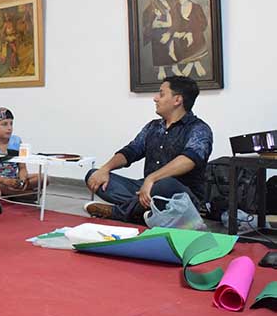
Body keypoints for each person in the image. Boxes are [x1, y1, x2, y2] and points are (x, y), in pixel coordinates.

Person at [84, 76, 213, 223]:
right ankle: (146, 212)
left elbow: (188, 160)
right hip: (146, 189)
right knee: (93, 175)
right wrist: (105, 169)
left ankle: (119, 212)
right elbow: (131, 151)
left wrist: (152, 178)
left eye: (161, 94)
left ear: (177, 100)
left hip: (180, 195)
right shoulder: (153, 126)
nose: (155, 98)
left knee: (165, 184)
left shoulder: (199, 129)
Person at [170, 0, 209, 78]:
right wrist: (178, 33)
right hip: (181, 36)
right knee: (178, 41)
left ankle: (191, 63)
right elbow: (173, 23)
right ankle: (194, 62)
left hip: (195, 34)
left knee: (196, 35)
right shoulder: (176, 8)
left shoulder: (196, 7)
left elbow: (203, 24)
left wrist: (191, 32)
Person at [141, 0, 174, 80]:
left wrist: (169, 33)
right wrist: (155, 23)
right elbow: (148, 25)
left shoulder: (171, 2)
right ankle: (161, 68)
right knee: (158, 38)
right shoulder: (151, 8)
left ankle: (174, 66)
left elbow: (177, 19)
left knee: (173, 40)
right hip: (158, 32)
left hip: (171, 30)